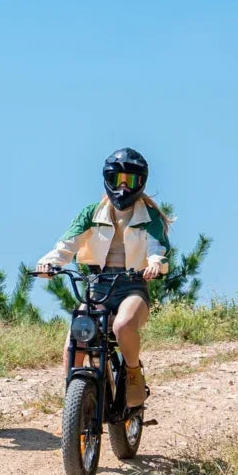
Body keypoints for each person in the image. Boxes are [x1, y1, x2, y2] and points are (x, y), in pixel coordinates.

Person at [36, 147, 170, 408]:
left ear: (140, 183)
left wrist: (154, 264)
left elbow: (158, 250)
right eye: (116, 180)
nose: (122, 187)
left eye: (129, 180)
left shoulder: (149, 216)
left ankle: (132, 373)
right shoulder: (91, 212)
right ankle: (73, 401)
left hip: (133, 287)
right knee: (76, 335)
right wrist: (49, 263)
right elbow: (66, 245)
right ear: (107, 180)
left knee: (122, 326)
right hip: (97, 287)